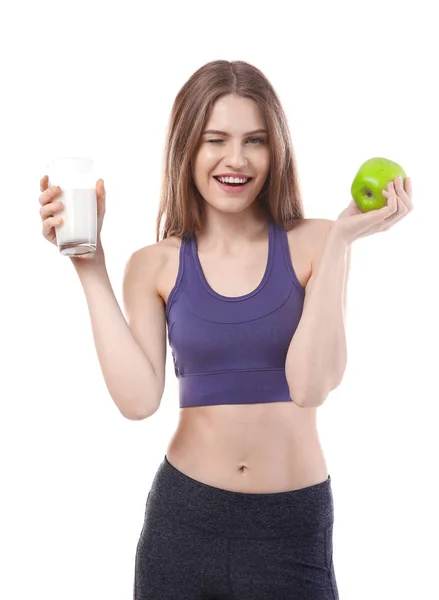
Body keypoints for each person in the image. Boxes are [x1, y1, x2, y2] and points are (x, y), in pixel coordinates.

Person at [39, 60, 413, 600]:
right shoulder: (154, 264)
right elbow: (139, 400)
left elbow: (310, 385)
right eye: (216, 139)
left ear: (275, 150)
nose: (235, 160)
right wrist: (89, 265)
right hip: (184, 522)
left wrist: (340, 245)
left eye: (254, 140)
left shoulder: (317, 242)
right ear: (187, 149)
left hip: (291, 528)